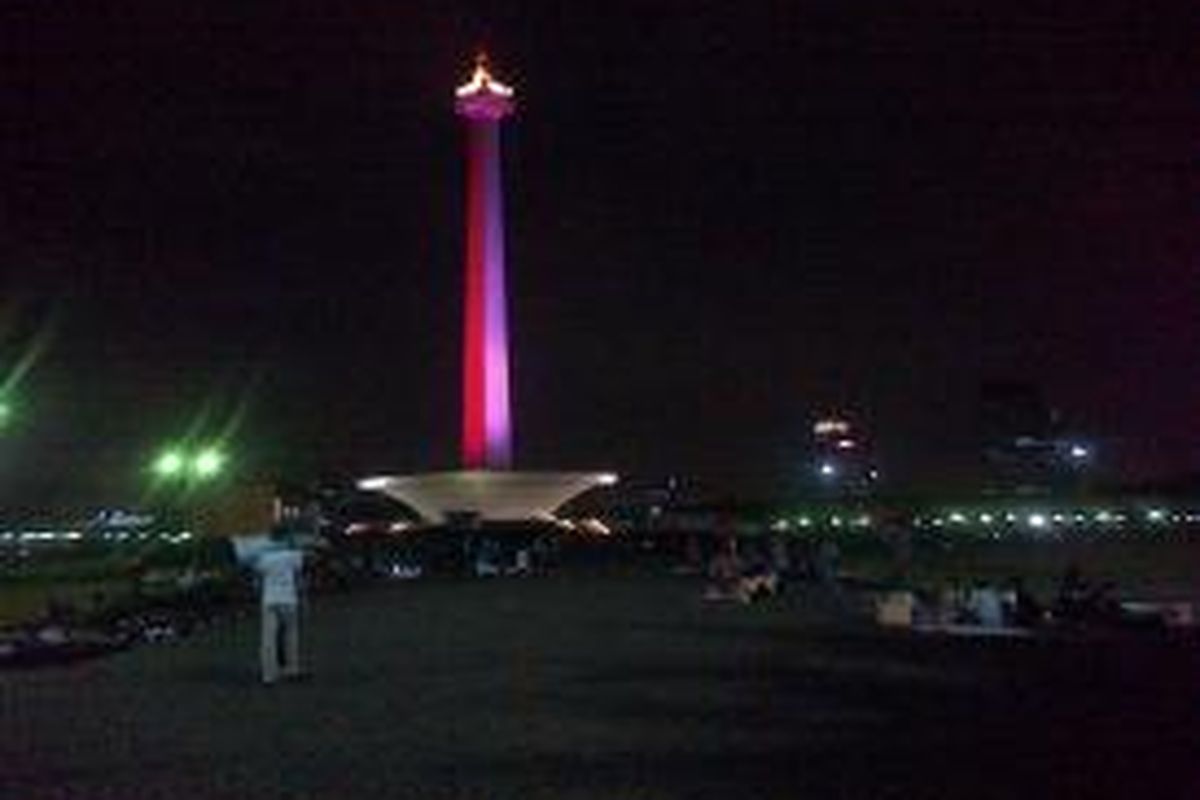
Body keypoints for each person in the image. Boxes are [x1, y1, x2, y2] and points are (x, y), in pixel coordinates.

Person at [246, 524, 308, 685]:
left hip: (269, 599)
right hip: (289, 598)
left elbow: (256, 578)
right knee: (290, 635)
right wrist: (303, 597)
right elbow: (299, 578)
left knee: (268, 639)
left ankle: (269, 674)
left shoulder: (264, 556)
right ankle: (292, 668)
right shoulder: (293, 554)